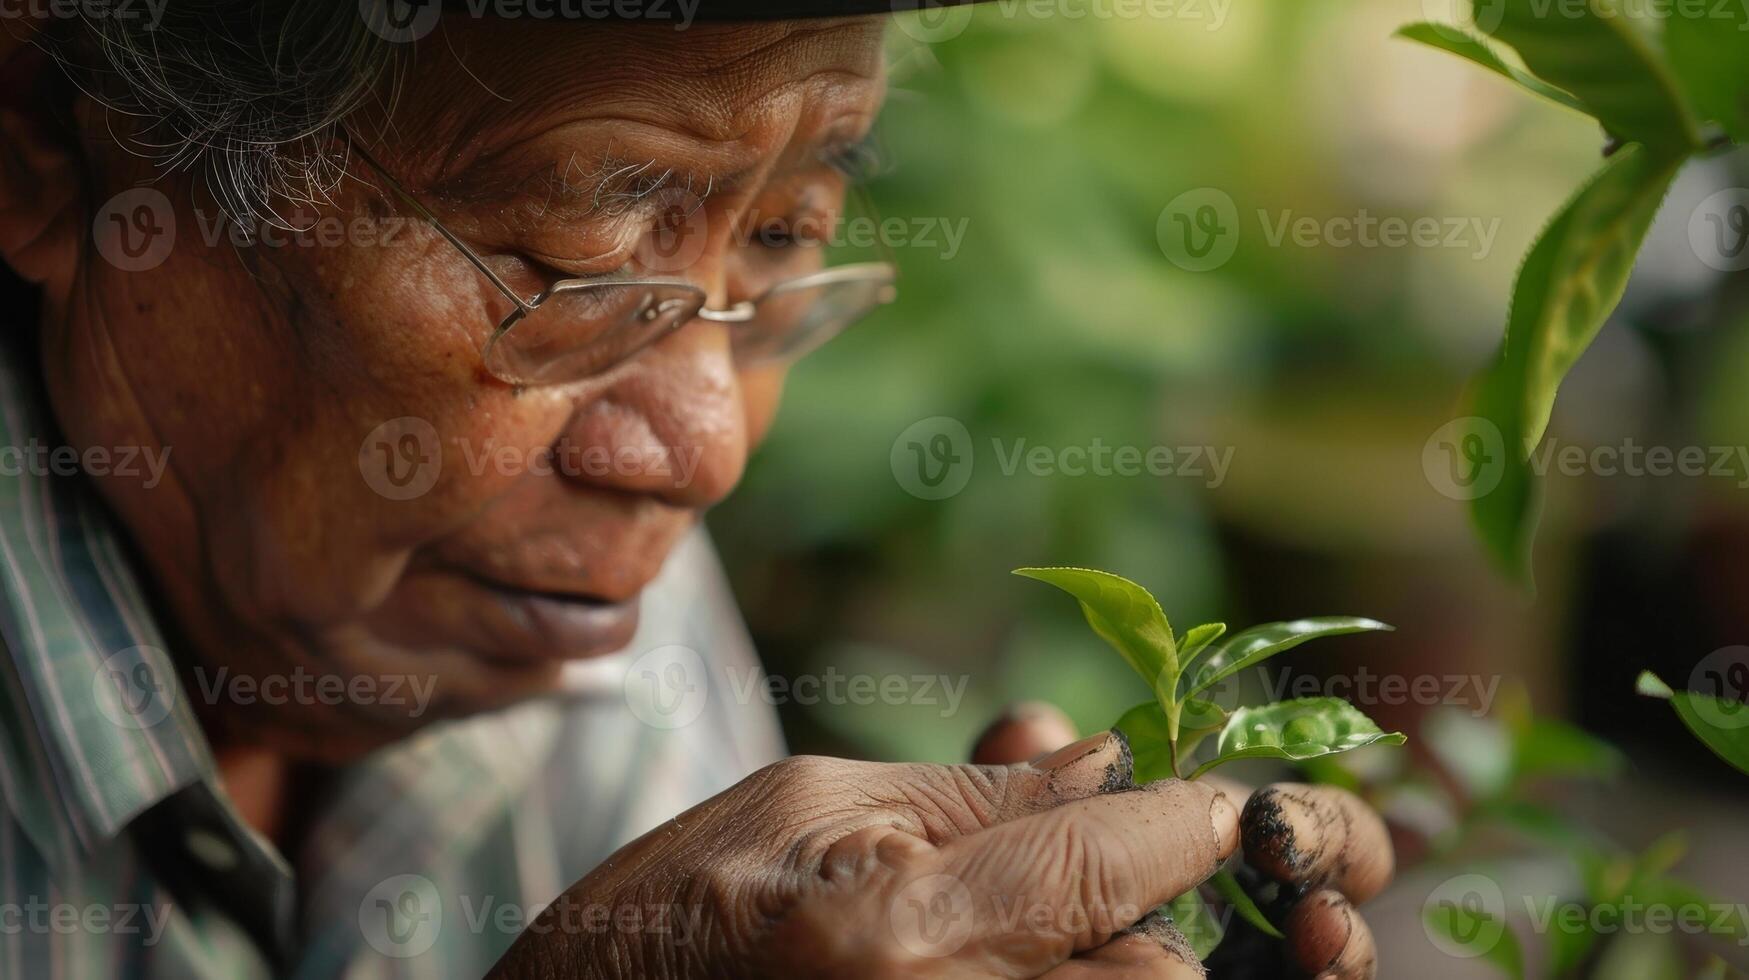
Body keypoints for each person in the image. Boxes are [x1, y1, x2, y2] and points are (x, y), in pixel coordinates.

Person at [0, 3, 1391, 975]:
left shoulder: (531, 578)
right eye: (572, 261)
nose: (701, 448)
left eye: (784, 239)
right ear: (52, 151)